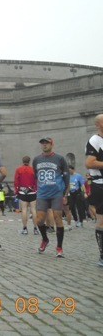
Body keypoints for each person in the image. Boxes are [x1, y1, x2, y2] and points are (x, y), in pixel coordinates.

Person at [33, 137, 69, 258]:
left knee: (58, 218)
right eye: (43, 143)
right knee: (39, 220)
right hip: (42, 193)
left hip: (56, 193)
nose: (45, 145)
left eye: (47, 143)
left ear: (52, 145)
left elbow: (66, 177)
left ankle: (59, 247)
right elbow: (35, 175)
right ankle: (45, 239)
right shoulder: (36, 159)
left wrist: (65, 194)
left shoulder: (59, 159)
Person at [85, 113, 103, 267]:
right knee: (101, 220)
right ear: (98, 125)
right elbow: (89, 163)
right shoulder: (94, 141)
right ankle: (102, 255)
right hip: (100, 184)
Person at [14, 156, 38, 235]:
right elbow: (36, 180)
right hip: (32, 191)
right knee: (33, 210)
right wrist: (36, 189)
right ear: (29, 161)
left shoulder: (19, 169)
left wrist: (17, 191)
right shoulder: (33, 169)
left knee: (24, 210)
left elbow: (16, 181)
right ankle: (35, 228)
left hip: (22, 192)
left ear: (22, 161)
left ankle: (25, 228)